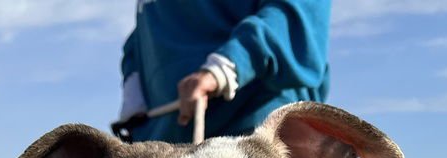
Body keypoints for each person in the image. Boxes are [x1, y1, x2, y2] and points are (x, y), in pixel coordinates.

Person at [118, 0, 331, 143]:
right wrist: (134, 87)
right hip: (167, 135)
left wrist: (229, 64)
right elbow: (146, 27)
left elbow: (297, 11)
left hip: (256, 123)